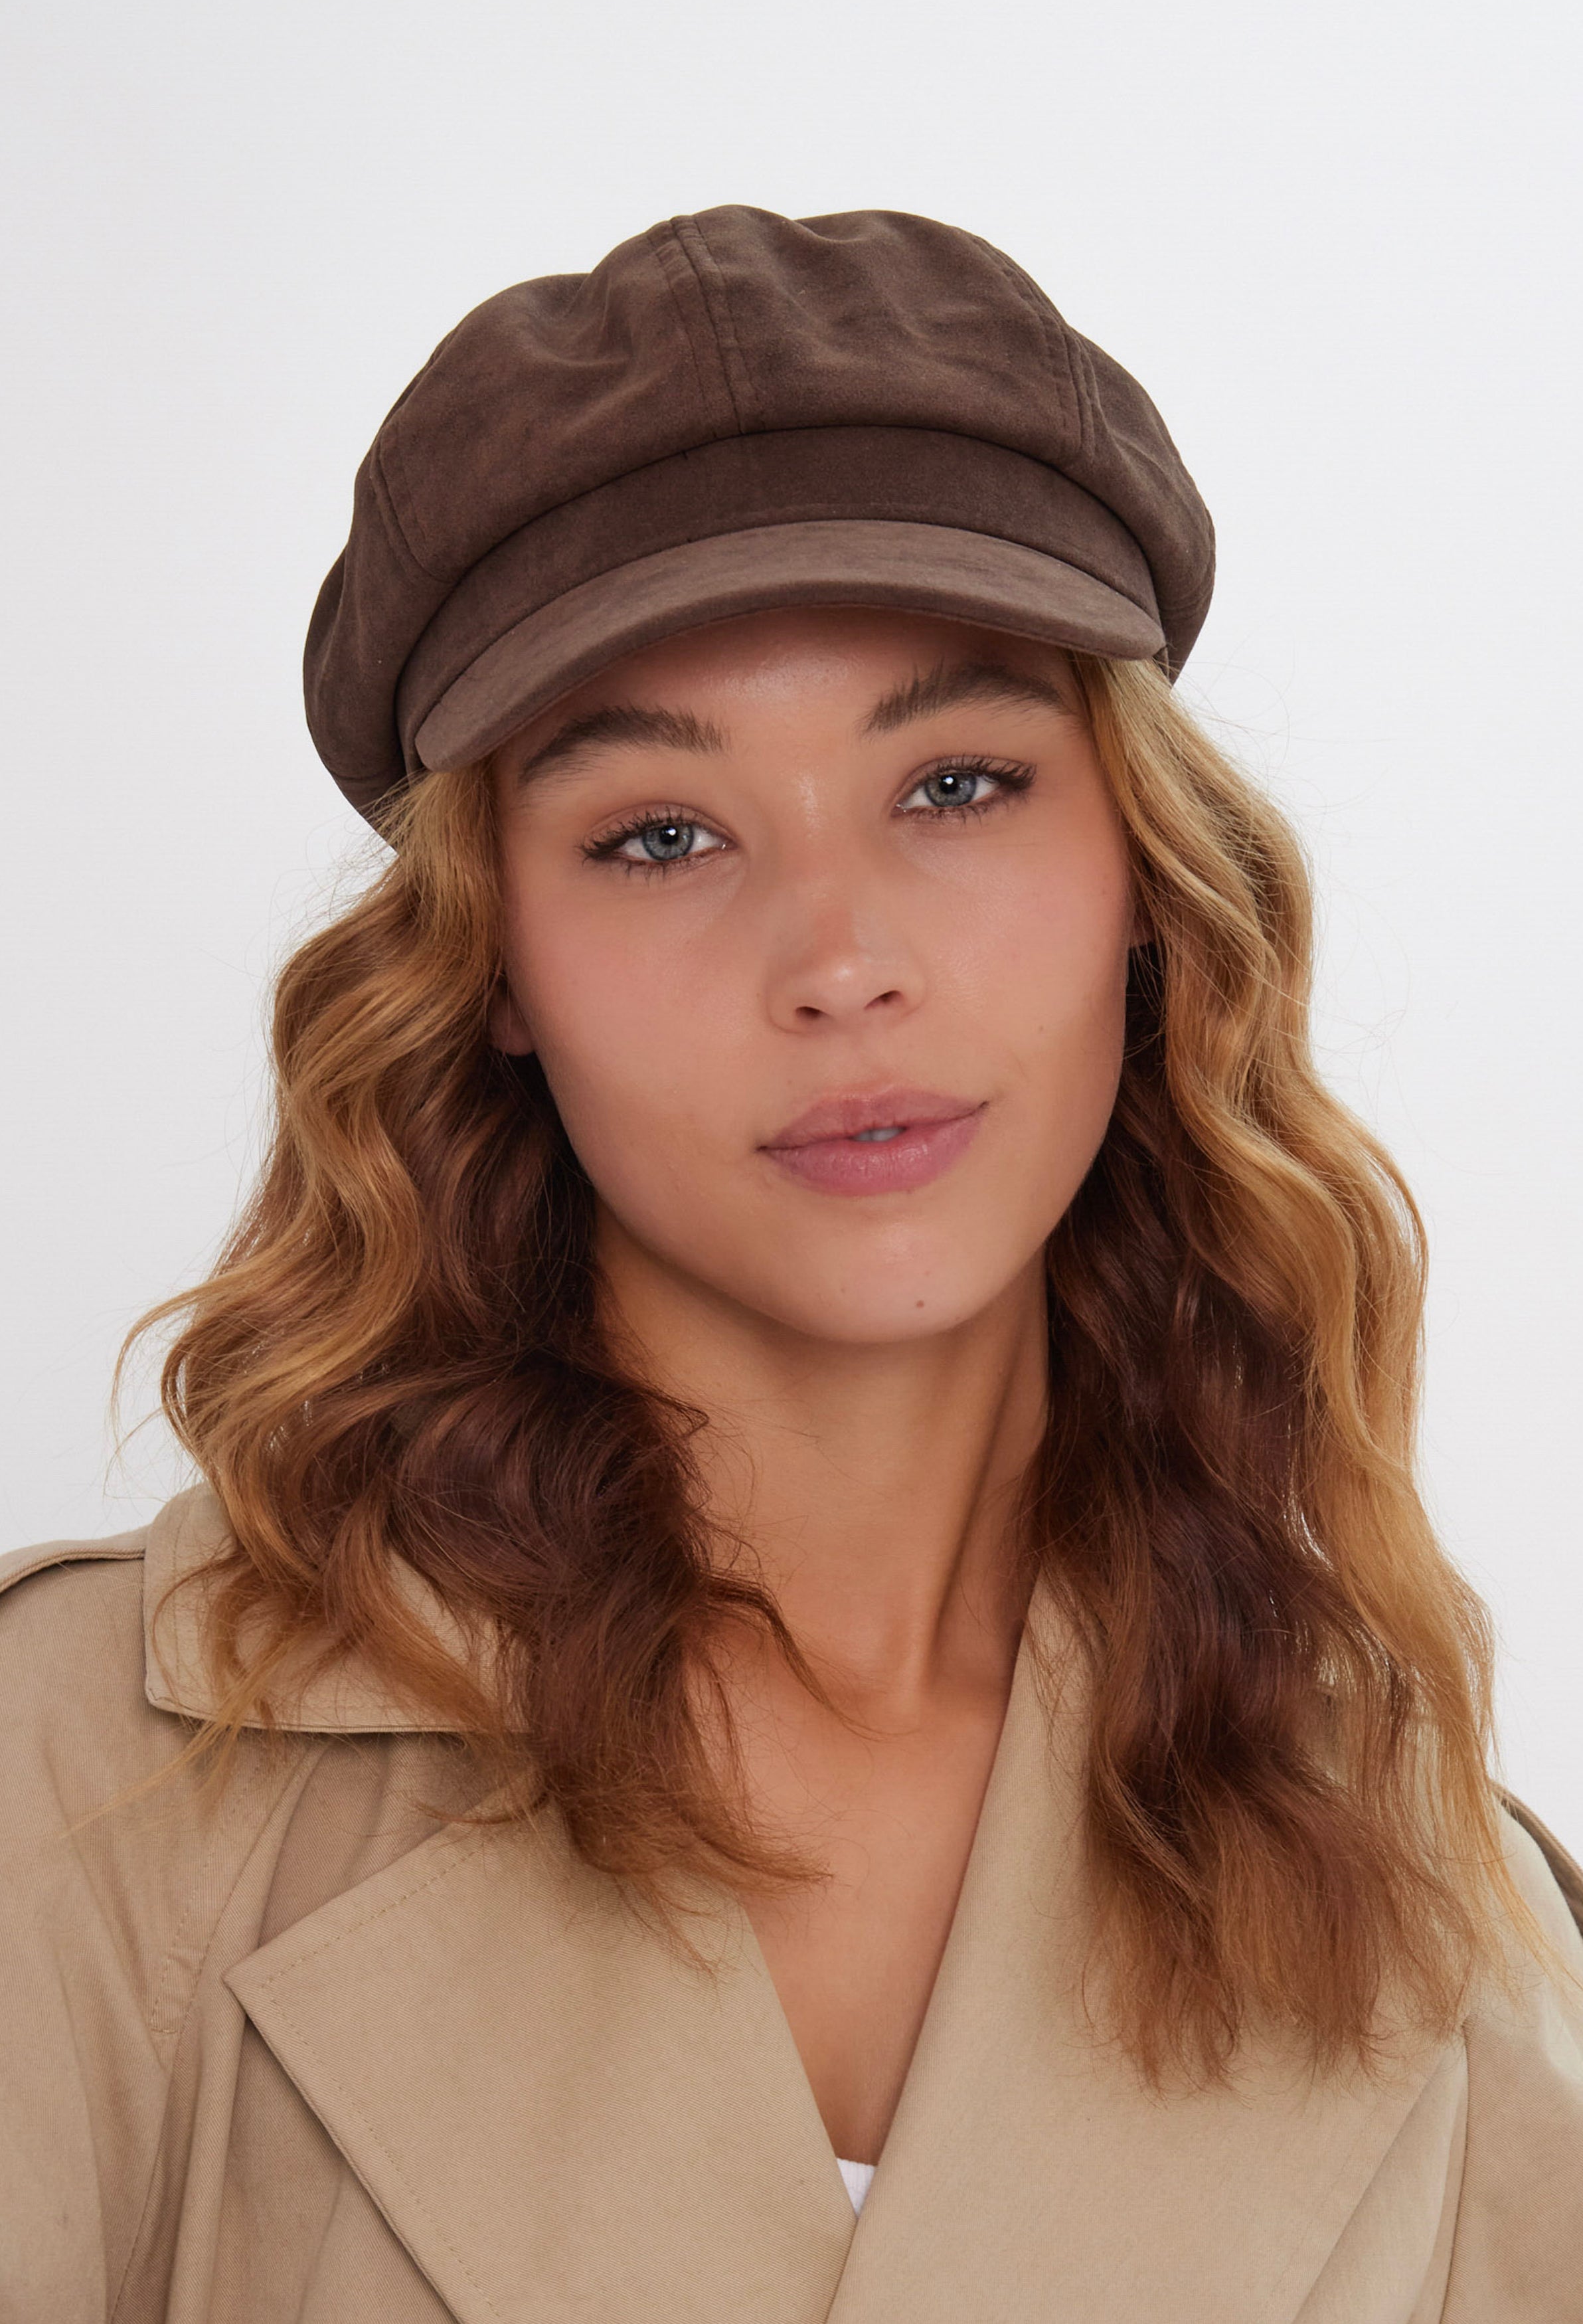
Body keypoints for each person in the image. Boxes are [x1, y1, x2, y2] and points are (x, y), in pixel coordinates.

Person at [3, 205, 1580, 2324]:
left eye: (959, 783)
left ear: (1144, 873)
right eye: (661, 834)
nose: (840, 961)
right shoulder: (75, 1794)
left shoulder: (1439, 1920)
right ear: (494, 963)